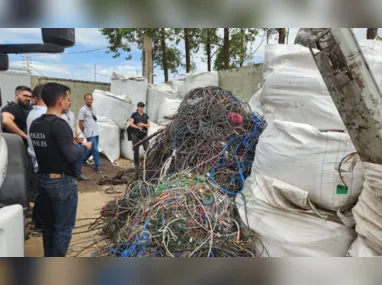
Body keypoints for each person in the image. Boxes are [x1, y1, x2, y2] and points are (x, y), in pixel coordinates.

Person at [30, 82, 92, 257]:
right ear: (59, 100)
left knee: (49, 226)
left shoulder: (36, 124)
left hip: (43, 180)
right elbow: (72, 156)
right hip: (61, 183)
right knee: (63, 228)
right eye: (67, 99)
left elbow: (50, 149)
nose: (69, 102)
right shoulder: (59, 124)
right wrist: (85, 147)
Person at [26, 84, 47, 236]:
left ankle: (35, 221)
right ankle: (40, 226)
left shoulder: (32, 113)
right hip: (44, 162)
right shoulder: (43, 115)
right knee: (44, 196)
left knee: (41, 193)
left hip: (36, 160)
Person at [76, 93, 102, 181]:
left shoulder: (93, 109)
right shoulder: (82, 110)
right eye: (87, 99)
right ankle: (98, 166)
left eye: (91, 99)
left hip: (96, 132)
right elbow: (80, 122)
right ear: (85, 100)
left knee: (91, 149)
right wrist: (84, 130)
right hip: (89, 133)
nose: (89, 100)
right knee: (95, 149)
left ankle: (82, 161)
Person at [130, 102, 150, 169]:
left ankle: (147, 163)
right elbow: (131, 124)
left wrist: (143, 125)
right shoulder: (134, 114)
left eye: (143, 107)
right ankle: (137, 165)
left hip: (143, 134)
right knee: (136, 150)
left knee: (147, 147)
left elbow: (148, 125)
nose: (142, 108)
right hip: (135, 134)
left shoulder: (145, 115)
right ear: (138, 107)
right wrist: (138, 127)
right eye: (140, 107)